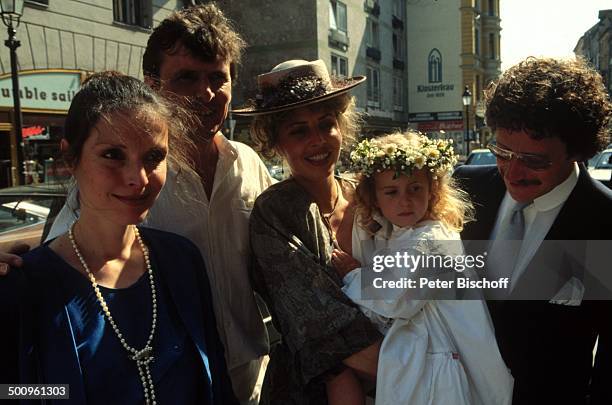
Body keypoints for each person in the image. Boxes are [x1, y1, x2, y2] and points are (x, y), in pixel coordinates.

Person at [0, 4, 273, 403]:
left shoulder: (184, 251)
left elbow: (274, 259)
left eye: (218, 78)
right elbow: (17, 389)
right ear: (70, 160)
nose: (137, 178)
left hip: (245, 373)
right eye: (113, 155)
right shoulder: (39, 285)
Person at [454, 57, 612, 404]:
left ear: (576, 150)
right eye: (502, 152)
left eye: (534, 160)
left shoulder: (604, 221)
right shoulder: (462, 190)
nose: (513, 171)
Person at [234, 59, 382, 404]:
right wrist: (426, 367)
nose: (317, 140)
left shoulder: (374, 195)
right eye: (298, 131)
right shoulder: (274, 214)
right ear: (276, 143)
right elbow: (326, 329)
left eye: (326, 124)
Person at [330, 132, 513, 405]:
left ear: (432, 190)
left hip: (445, 360)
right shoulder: (402, 233)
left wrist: (353, 274)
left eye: (415, 189)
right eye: (392, 192)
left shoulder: (431, 238)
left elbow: (397, 297)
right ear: (375, 198)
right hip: (433, 358)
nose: (405, 201)